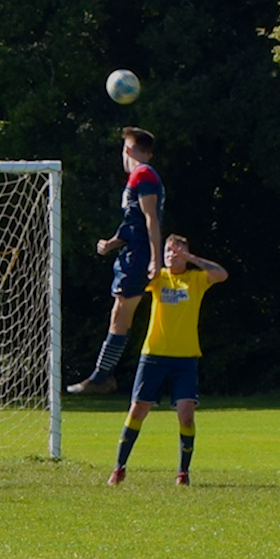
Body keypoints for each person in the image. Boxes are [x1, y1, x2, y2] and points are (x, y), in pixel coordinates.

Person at [108, 235, 228, 486]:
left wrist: (192, 259)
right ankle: (119, 467)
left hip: (185, 359)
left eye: (177, 251)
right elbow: (137, 281)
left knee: (186, 415)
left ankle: (183, 472)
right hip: (153, 355)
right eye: (168, 251)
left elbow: (221, 275)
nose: (172, 255)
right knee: (138, 409)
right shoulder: (159, 278)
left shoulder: (195, 279)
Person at [68, 126, 164, 394]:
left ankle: (102, 377)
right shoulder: (137, 177)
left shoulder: (143, 173)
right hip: (131, 253)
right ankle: (104, 375)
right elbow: (134, 223)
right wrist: (113, 242)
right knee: (119, 313)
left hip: (139, 257)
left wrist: (155, 260)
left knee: (122, 314)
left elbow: (150, 219)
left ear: (128, 150)